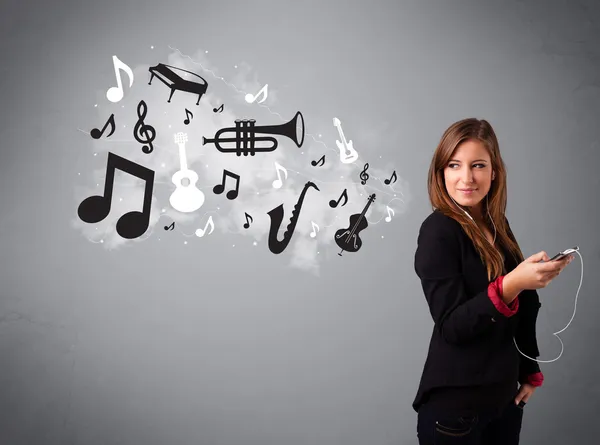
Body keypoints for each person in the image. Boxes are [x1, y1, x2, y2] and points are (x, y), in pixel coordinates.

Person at [413, 118, 574, 445]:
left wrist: (529, 371)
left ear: (494, 172)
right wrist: (511, 283)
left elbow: (522, 306)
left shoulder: (496, 224)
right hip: (456, 411)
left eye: (478, 165)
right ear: (441, 172)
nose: (466, 177)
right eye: (454, 165)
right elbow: (452, 327)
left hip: (503, 402)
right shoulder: (438, 231)